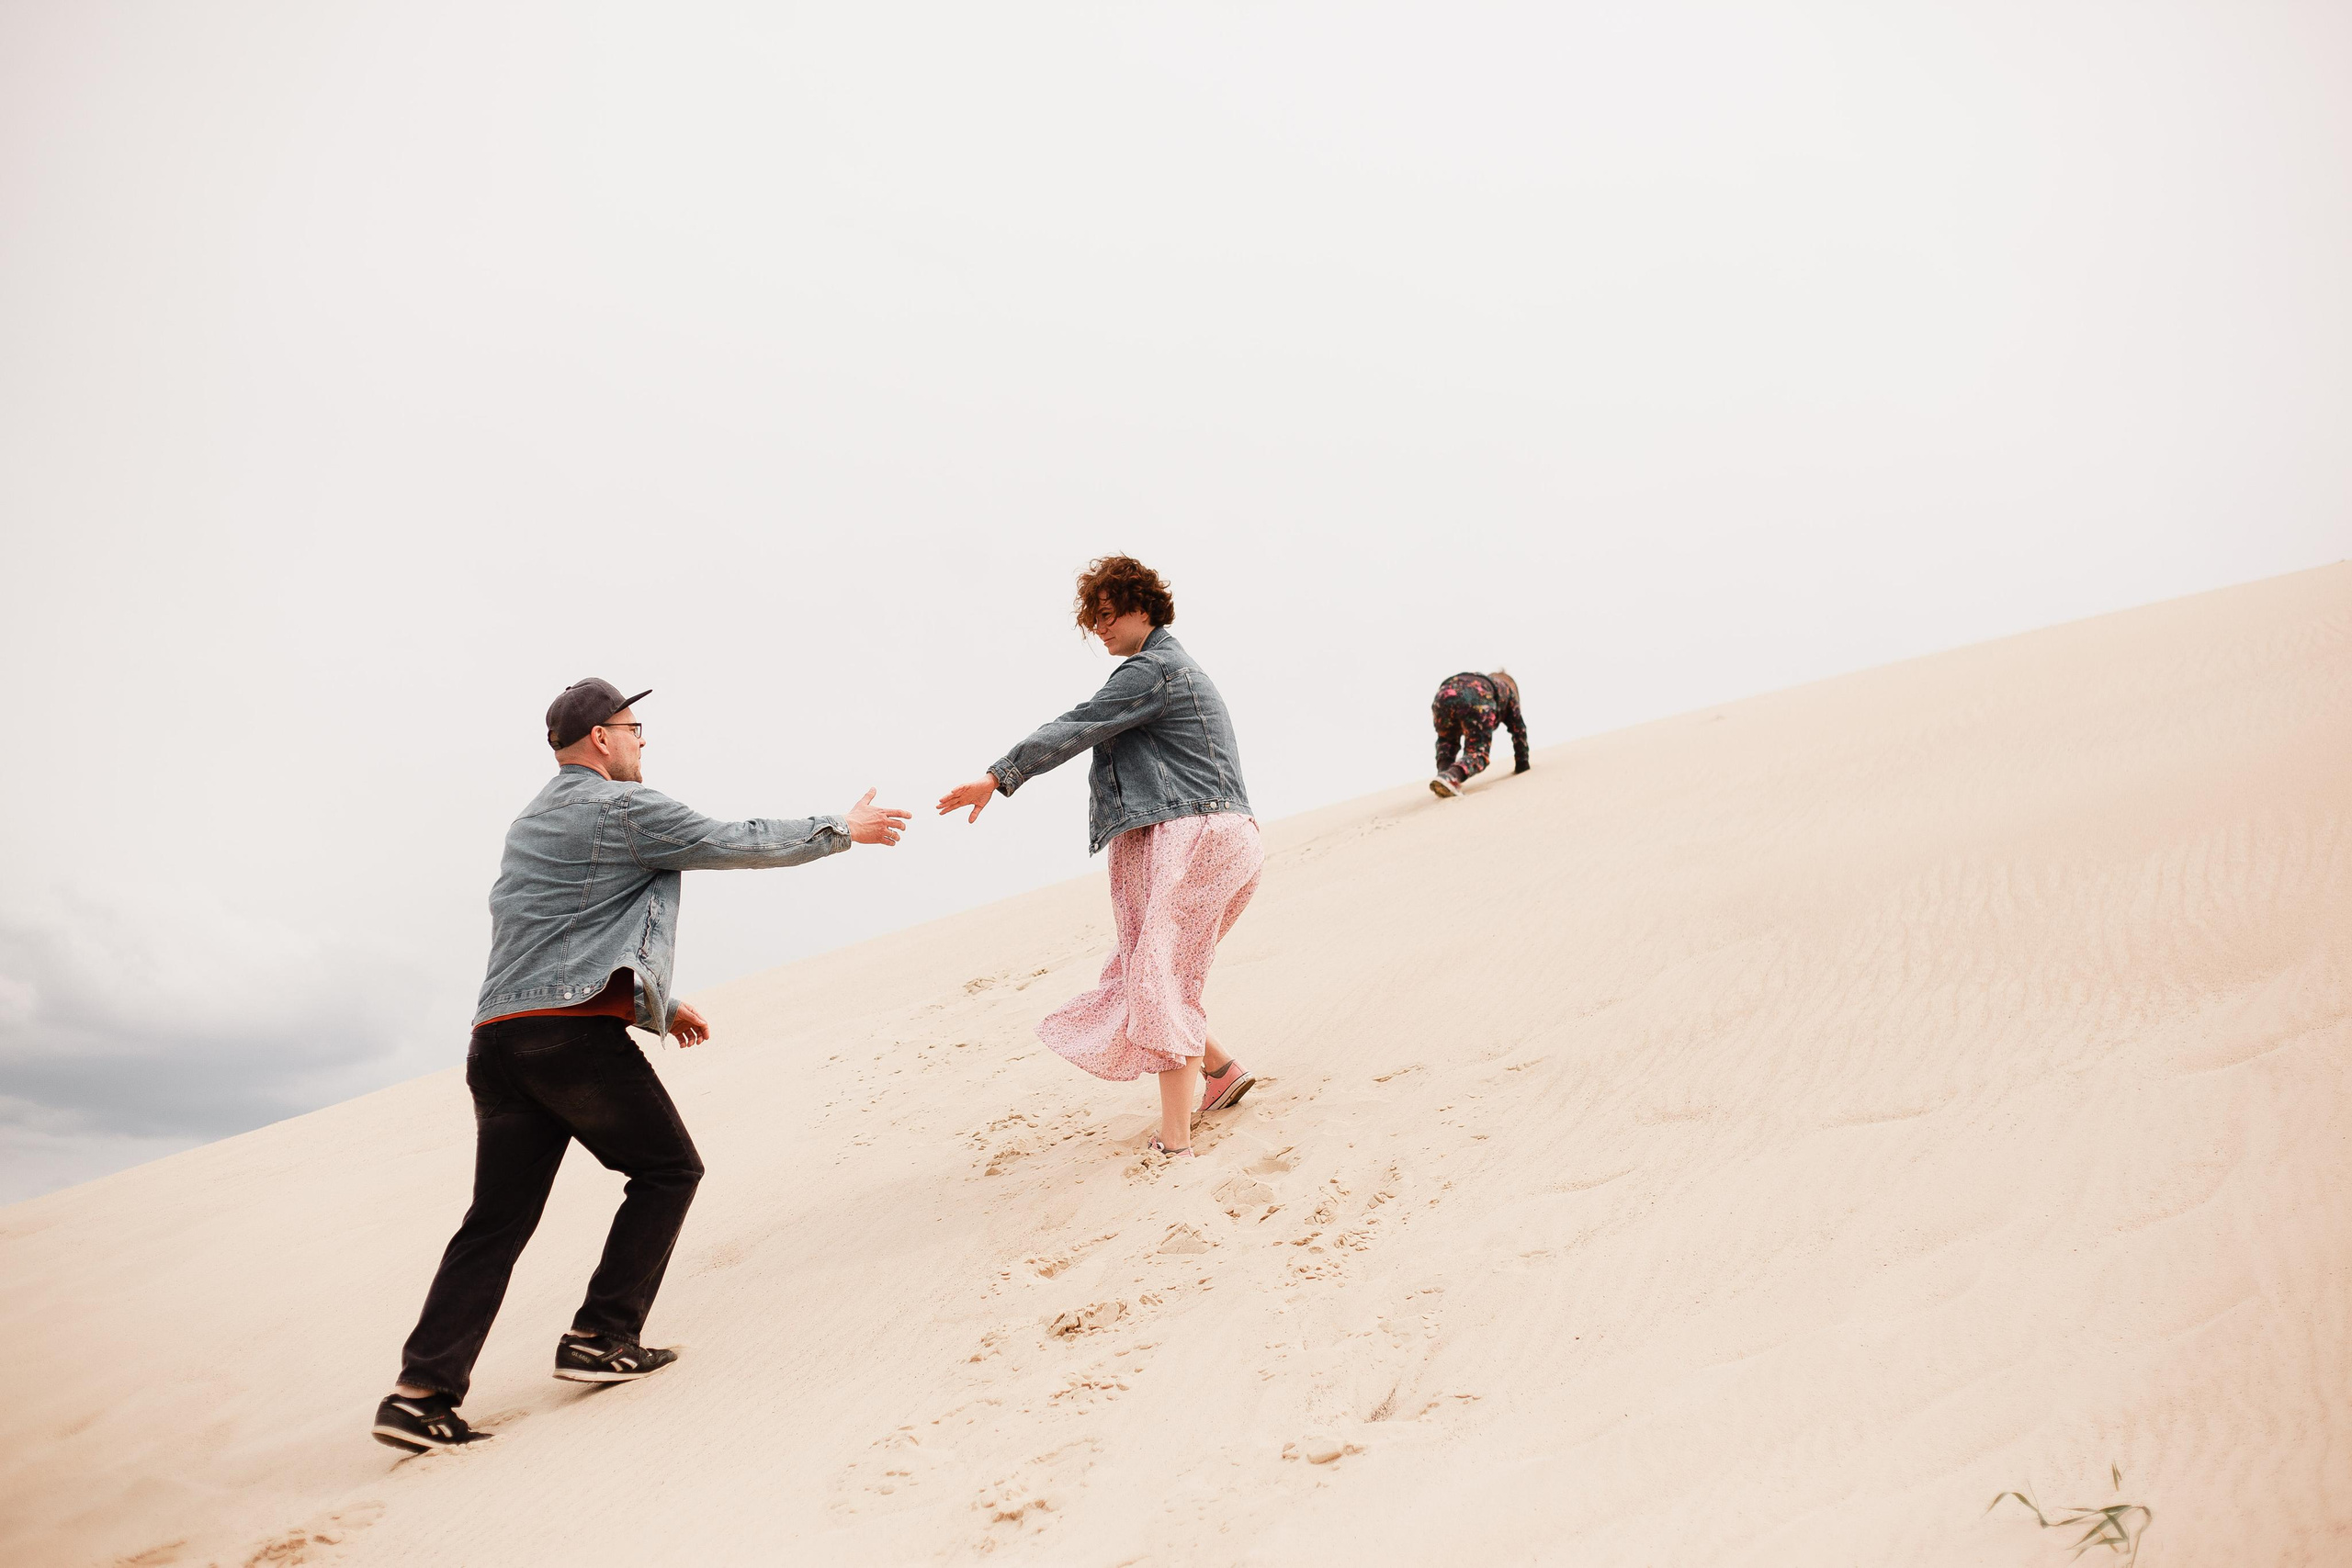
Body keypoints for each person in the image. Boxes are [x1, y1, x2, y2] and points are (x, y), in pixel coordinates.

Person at [373, 678, 910, 1455]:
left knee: (493, 1223)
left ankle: (420, 1392)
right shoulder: (624, 810)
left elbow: (556, 930)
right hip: (567, 1040)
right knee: (668, 1170)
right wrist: (842, 827)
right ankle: (602, 1333)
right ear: (600, 737)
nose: (641, 741)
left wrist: (652, 1002)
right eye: (634, 727)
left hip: (497, 1043)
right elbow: (739, 839)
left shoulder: (527, 824)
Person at [936, 557, 1261, 1161]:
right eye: (1094, 621)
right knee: (1151, 969)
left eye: (1108, 615)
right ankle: (1221, 1070)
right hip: (1196, 832)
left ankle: (1176, 1144)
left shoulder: (1154, 669)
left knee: (1163, 977)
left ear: (1142, 606)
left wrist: (997, 776)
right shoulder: (1163, 668)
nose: (1101, 630)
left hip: (1196, 832)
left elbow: (1080, 724)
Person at [1429, 669, 1530, 797]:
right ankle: (1451, 776)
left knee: (1447, 740)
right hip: (1476, 696)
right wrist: (1523, 765)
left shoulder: (1484, 681)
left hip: (1444, 694)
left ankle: (1443, 775)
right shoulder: (1508, 691)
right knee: (1477, 753)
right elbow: (1519, 731)